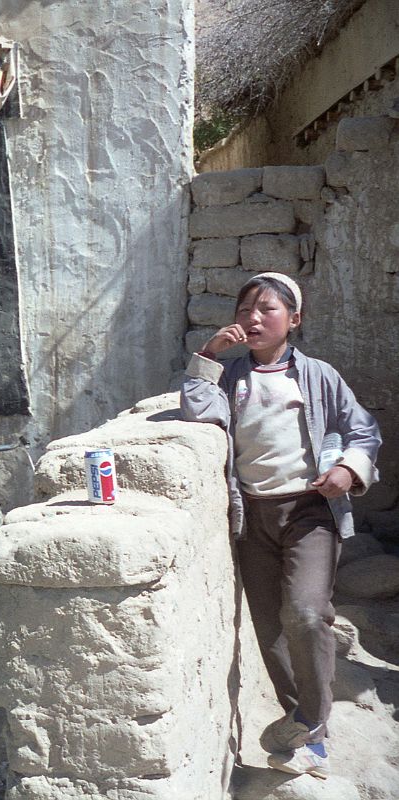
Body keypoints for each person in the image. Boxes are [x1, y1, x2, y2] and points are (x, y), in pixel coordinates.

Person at [180, 271, 381, 779]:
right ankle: (304, 722)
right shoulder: (232, 377)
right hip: (252, 516)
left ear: (294, 319)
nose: (252, 318)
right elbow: (195, 410)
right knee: (270, 629)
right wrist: (207, 356)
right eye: (246, 308)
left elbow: (362, 429)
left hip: (309, 512)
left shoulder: (317, 376)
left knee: (307, 615)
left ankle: (312, 726)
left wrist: (348, 470)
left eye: (267, 309)